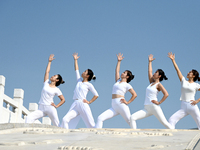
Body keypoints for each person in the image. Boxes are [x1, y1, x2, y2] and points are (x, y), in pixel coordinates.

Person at [95, 53, 137, 128]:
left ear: (127, 76)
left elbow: (134, 95)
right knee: (100, 118)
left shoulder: (127, 85)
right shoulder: (118, 81)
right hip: (114, 106)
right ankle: (98, 137)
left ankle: (137, 136)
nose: (122, 73)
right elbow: (117, 71)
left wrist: (127, 102)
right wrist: (119, 61)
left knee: (130, 121)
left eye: (124, 73)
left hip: (121, 105)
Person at [130, 54, 172, 129]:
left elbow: (166, 94)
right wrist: (150, 62)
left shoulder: (159, 85)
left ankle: (176, 135)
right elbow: (149, 71)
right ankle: (134, 134)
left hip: (154, 107)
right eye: (155, 72)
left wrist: (159, 102)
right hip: (146, 108)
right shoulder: (151, 83)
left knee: (165, 123)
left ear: (159, 76)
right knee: (132, 117)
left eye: (156, 73)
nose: (154, 73)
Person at [60, 53, 99, 129]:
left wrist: (89, 102)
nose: (83, 72)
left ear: (87, 76)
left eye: (85, 72)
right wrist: (75, 60)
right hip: (75, 104)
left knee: (91, 124)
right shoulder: (79, 81)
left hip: (83, 104)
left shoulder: (89, 85)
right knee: (65, 119)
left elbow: (96, 95)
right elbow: (76, 70)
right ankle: (67, 136)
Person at [26, 54, 65, 126]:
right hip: (41, 108)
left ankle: (62, 136)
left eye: (54, 76)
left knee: (57, 124)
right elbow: (47, 72)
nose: (52, 76)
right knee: (29, 117)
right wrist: (49, 62)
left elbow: (63, 100)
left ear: (57, 80)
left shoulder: (57, 89)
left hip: (50, 108)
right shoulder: (46, 83)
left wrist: (56, 106)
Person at [168, 52, 200, 129]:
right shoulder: (183, 81)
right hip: (183, 106)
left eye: (190, 72)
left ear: (194, 75)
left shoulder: (196, 85)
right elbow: (177, 70)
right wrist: (173, 60)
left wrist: (197, 100)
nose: (188, 73)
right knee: (171, 120)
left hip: (192, 105)